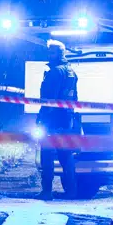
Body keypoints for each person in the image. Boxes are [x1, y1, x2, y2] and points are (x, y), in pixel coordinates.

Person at [37, 40, 79, 200]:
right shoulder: (71, 72)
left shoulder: (55, 72)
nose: (49, 55)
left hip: (52, 119)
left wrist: (42, 117)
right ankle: (72, 191)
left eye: (52, 52)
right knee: (65, 155)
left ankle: (46, 191)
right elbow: (75, 97)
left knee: (47, 153)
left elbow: (49, 99)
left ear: (60, 53)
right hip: (67, 119)